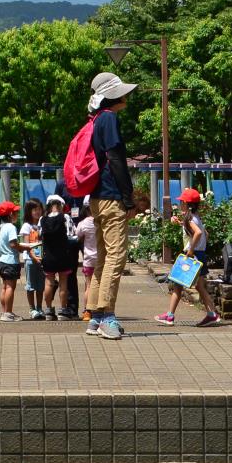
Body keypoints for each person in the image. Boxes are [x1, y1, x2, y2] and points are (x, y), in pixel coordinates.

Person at [85, 71, 138, 340]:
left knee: (103, 258)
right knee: (116, 257)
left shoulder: (96, 119)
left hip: (96, 197)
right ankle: (107, 317)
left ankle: (95, 317)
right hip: (111, 197)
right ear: (114, 96)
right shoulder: (109, 118)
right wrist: (128, 197)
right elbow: (116, 159)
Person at [157, 187, 220, 326]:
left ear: (186, 204)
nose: (180, 204)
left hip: (192, 255)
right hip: (200, 254)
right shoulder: (196, 217)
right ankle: (212, 314)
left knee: (177, 284)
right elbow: (205, 234)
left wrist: (191, 250)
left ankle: (170, 316)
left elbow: (198, 233)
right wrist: (182, 224)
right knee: (199, 287)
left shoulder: (190, 218)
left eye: (182, 202)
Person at [38, 194, 78, 321]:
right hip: (63, 255)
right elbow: (71, 235)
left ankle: (49, 311)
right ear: (60, 205)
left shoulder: (42, 219)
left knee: (49, 283)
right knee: (63, 283)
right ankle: (63, 310)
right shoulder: (65, 217)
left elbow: (40, 236)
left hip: (48, 256)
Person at [0, 201, 23, 321]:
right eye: (16, 212)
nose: (17, 214)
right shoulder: (11, 227)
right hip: (11, 261)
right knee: (10, 287)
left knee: (5, 287)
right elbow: (13, 244)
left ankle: (4, 312)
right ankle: (8, 313)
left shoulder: (1, 227)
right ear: (10, 214)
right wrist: (23, 248)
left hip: (1, 261)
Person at [73, 201, 99, 320]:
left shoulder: (83, 223)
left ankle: (87, 312)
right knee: (99, 285)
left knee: (88, 285)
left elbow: (77, 236)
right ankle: (98, 310)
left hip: (88, 259)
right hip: (101, 259)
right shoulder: (100, 222)